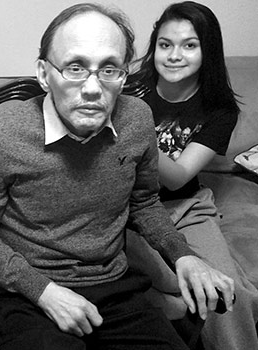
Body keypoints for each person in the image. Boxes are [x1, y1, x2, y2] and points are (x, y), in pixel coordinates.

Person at [0, 3, 236, 350]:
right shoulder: (4, 134)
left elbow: (144, 201)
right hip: (29, 293)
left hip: (114, 286)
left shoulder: (136, 119)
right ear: (44, 74)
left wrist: (184, 255)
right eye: (75, 67)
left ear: (124, 75)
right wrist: (43, 292)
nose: (91, 88)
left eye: (108, 69)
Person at [126, 2, 258, 349]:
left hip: (184, 204)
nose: (173, 55)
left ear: (207, 50)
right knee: (172, 285)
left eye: (189, 45)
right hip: (126, 208)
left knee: (226, 291)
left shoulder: (220, 109)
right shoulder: (127, 90)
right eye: (165, 44)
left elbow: (178, 175)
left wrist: (136, 130)